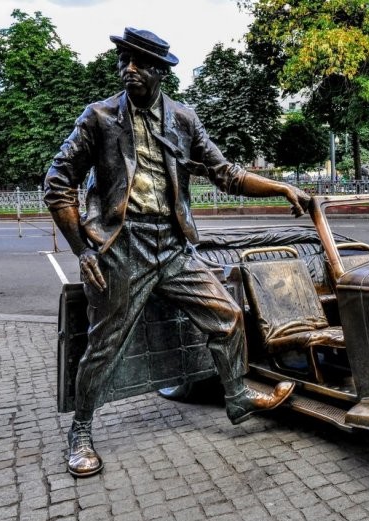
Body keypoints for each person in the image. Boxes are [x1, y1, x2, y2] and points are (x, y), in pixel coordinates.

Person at [44, 28, 311, 478]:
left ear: (159, 72)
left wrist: (280, 186)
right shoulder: (99, 118)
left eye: (139, 62)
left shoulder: (183, 120)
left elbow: (226, 173)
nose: (129, 69)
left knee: (227, 315)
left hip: (172, 244)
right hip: (122, 245)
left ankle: (237, 395)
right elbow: (57, 183)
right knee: (104, 346)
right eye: (124, 60)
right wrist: (83, 251)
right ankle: (82, 430)